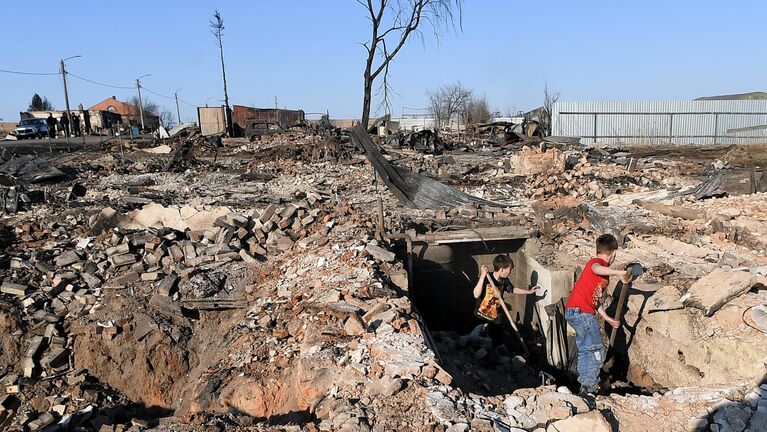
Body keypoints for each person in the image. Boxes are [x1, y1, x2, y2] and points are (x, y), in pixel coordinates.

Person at [564, 234, 632, 397]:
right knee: (597, 351)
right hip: (581, 313)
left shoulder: (603, 275)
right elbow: (596, 268)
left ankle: (583, 385)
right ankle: (590, 388)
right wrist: (619, 272)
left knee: (586, 350)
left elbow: (596, 301)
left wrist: (608, 319)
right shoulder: (596, 264)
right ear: (613, 253)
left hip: (576, 312)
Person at [473, 254, 540, 346]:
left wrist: (529, 292)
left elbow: (512, 289)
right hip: (481, 315)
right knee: (479, 342)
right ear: (502, 269)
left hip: (496, 317)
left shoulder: (504, 281)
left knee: (496, 342)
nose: (510, 271)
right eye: (510, 269)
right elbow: (476, 295)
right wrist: (482, 276)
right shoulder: (486, 278)